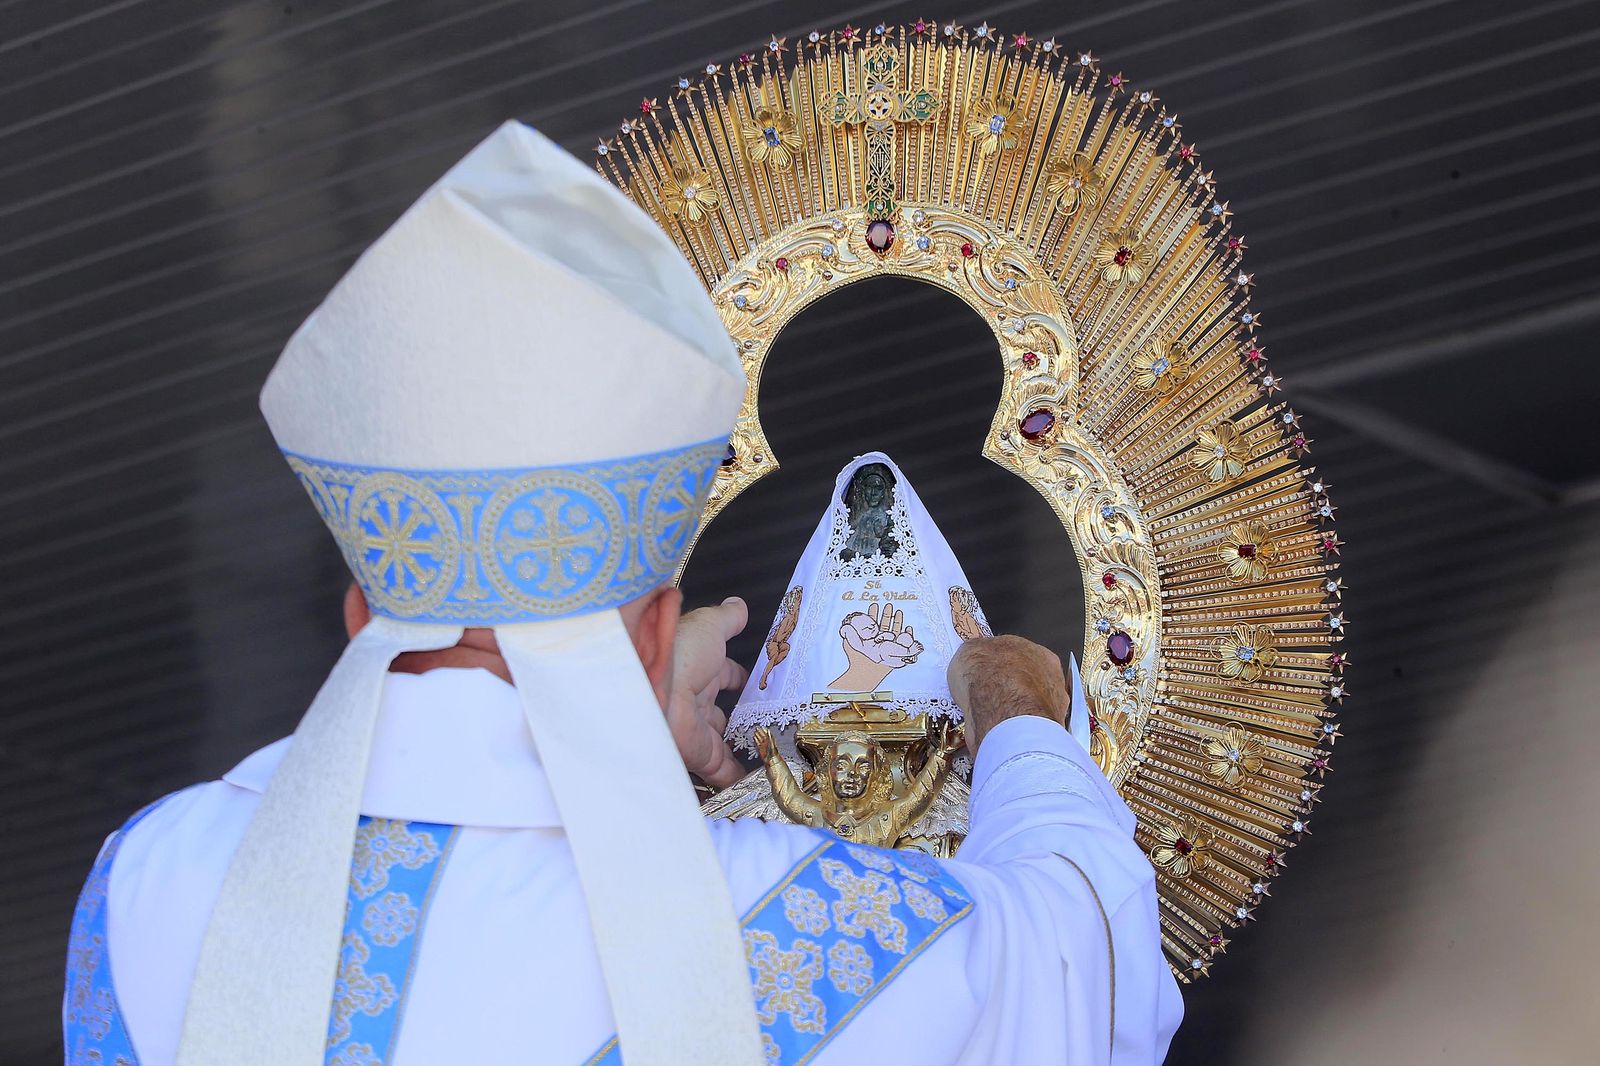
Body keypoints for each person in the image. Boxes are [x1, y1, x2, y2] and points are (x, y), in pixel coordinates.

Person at [63, 123, 1181, 1065]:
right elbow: (1082, 963)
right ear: (657, 627)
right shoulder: (802, 932)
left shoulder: (151, 883)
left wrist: (628, 718)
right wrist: (1020, 713)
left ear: (363, 616)